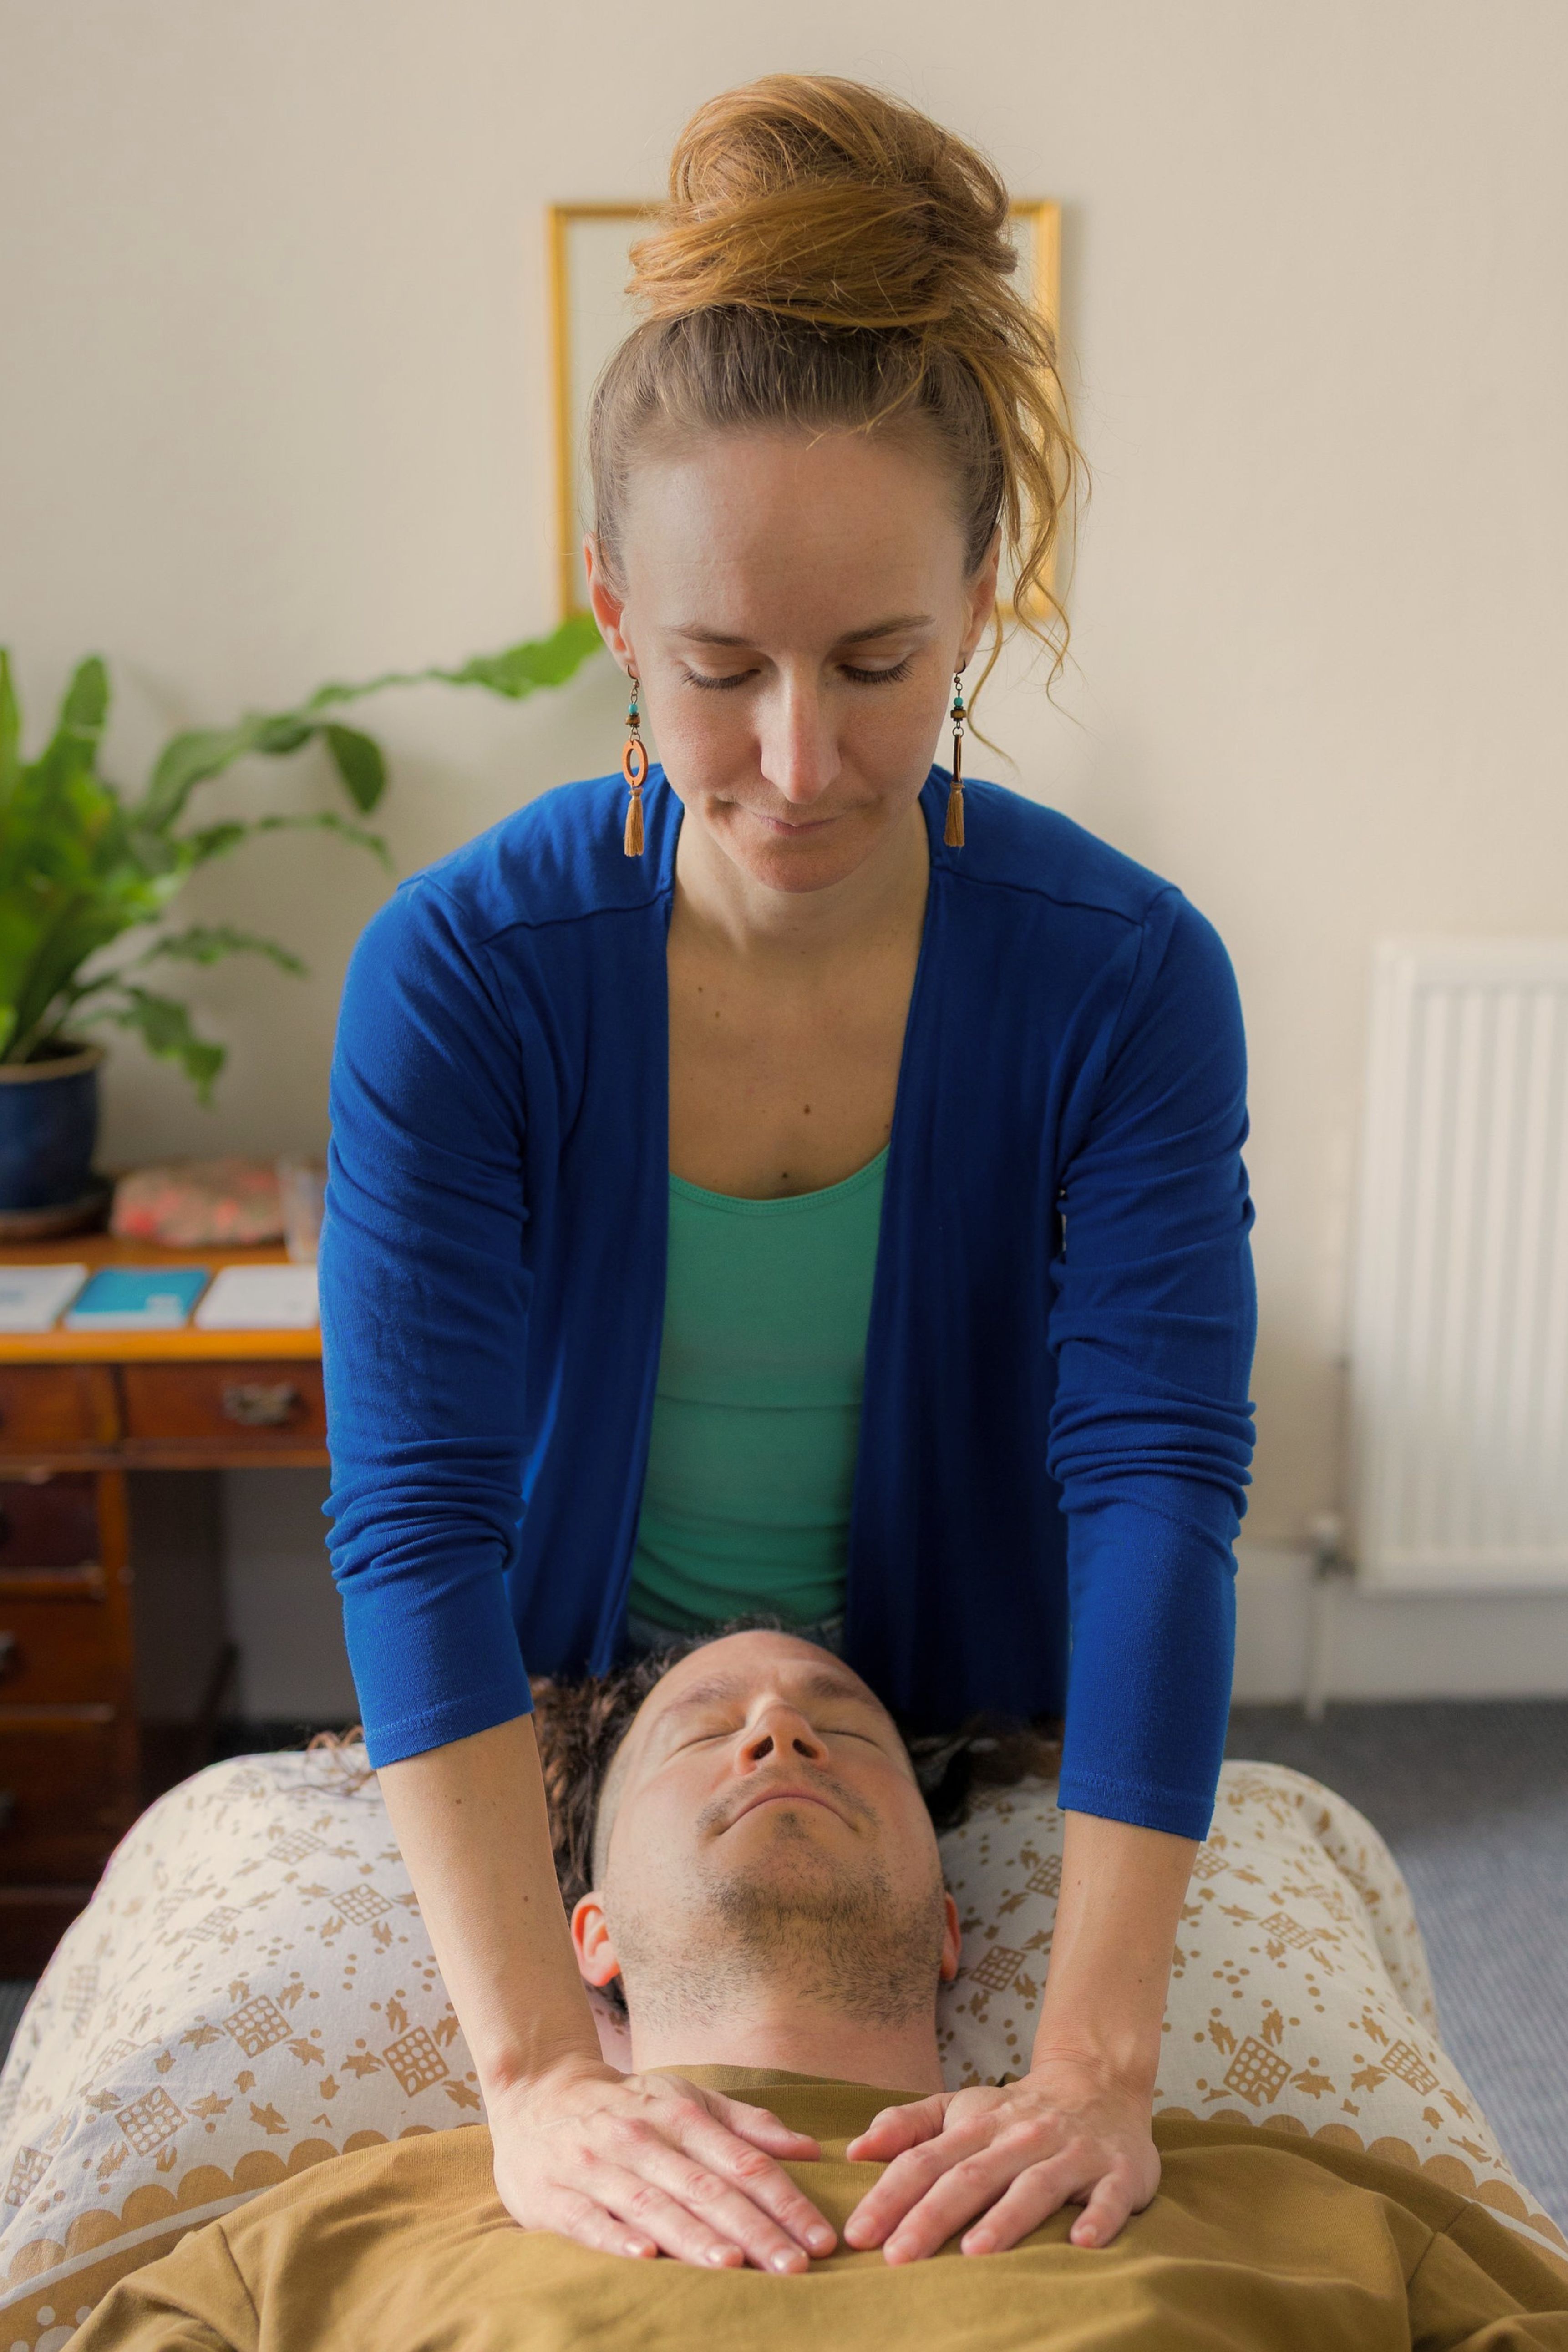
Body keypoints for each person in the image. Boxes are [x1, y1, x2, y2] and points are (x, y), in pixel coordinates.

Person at [319, 74, 1258, 2267]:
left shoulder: (1126, 977)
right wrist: (541, 2073)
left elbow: (1155, 1480)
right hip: (575, 1708)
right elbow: (416, 1511)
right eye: (716, 670)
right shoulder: (458, 976)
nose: (797, 763)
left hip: (956, 1702)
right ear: (604, 610)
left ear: (986, 594)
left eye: (878, 664)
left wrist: (1096, 2062)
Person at [76, 1632, 1568, 2350]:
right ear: (583, 1936)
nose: (780, 1732)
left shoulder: (1312, 2220)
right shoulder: (325, 2242)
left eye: (840, 1728)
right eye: (704, 1730)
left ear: (947, 1933)